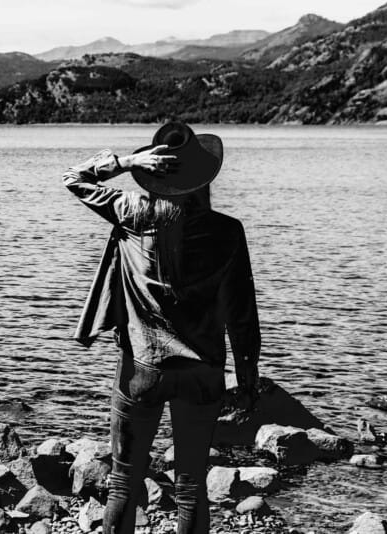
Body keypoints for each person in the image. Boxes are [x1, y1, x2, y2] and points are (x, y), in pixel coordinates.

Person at [62, 122, 261, 534]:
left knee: (124, 483)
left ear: (154, 174)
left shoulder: (134, 213)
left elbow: (73, 178)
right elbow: (242, 314)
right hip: (203, 373)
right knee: (190, 487)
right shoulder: (227, 232)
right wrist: (247, 377)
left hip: (143, 368)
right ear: (203, 179)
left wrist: (127, 161)